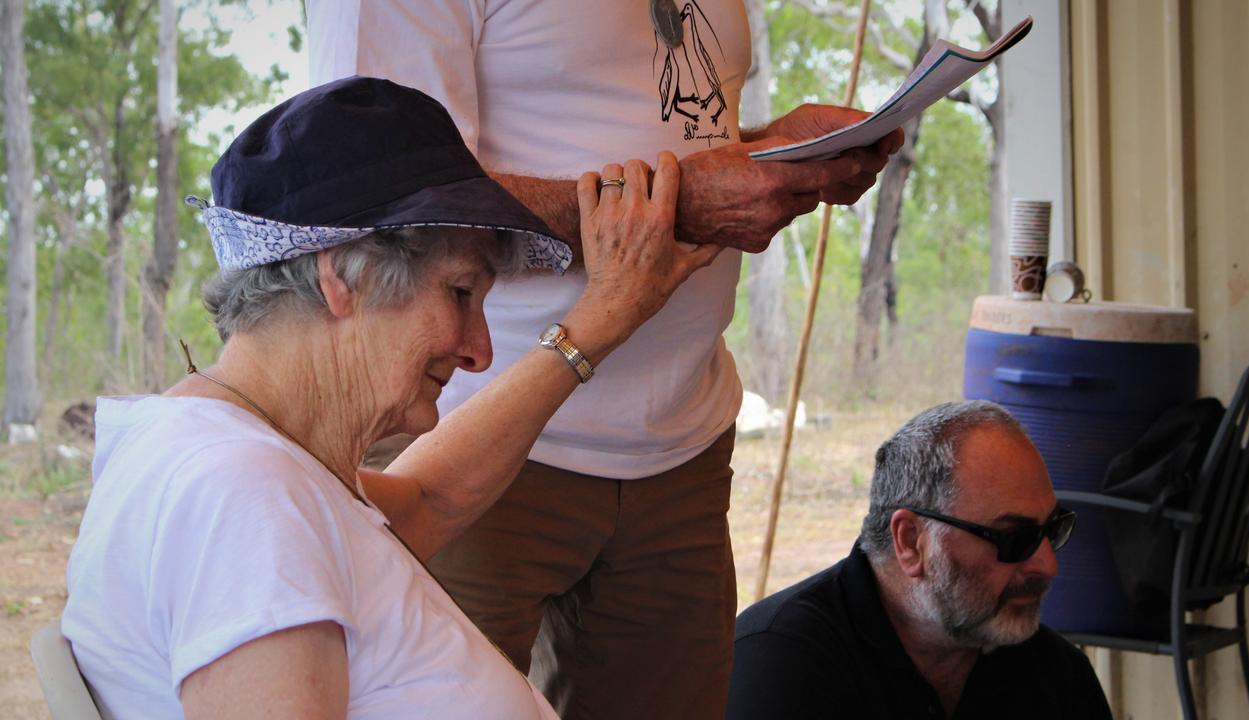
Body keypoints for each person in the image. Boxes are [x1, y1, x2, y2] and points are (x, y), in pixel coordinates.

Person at [306, 3, 904, 716]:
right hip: (469, 437)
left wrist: (767, 156)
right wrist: (678, 205)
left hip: (682, 442)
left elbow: (645, 132)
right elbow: (379, 193)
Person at [61, 76, 718, 719]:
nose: (478, 350)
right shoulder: (243, 498)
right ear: (342, 276)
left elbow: (432, 498)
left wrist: (602, 322)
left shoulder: (221, 452)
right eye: (460, 293)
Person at [727, 400, 1113, 719]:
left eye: (1053, 529)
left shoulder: (1054, 675)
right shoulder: (781, 667)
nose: (1047, 566)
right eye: (1014, 539)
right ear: (911, 542)